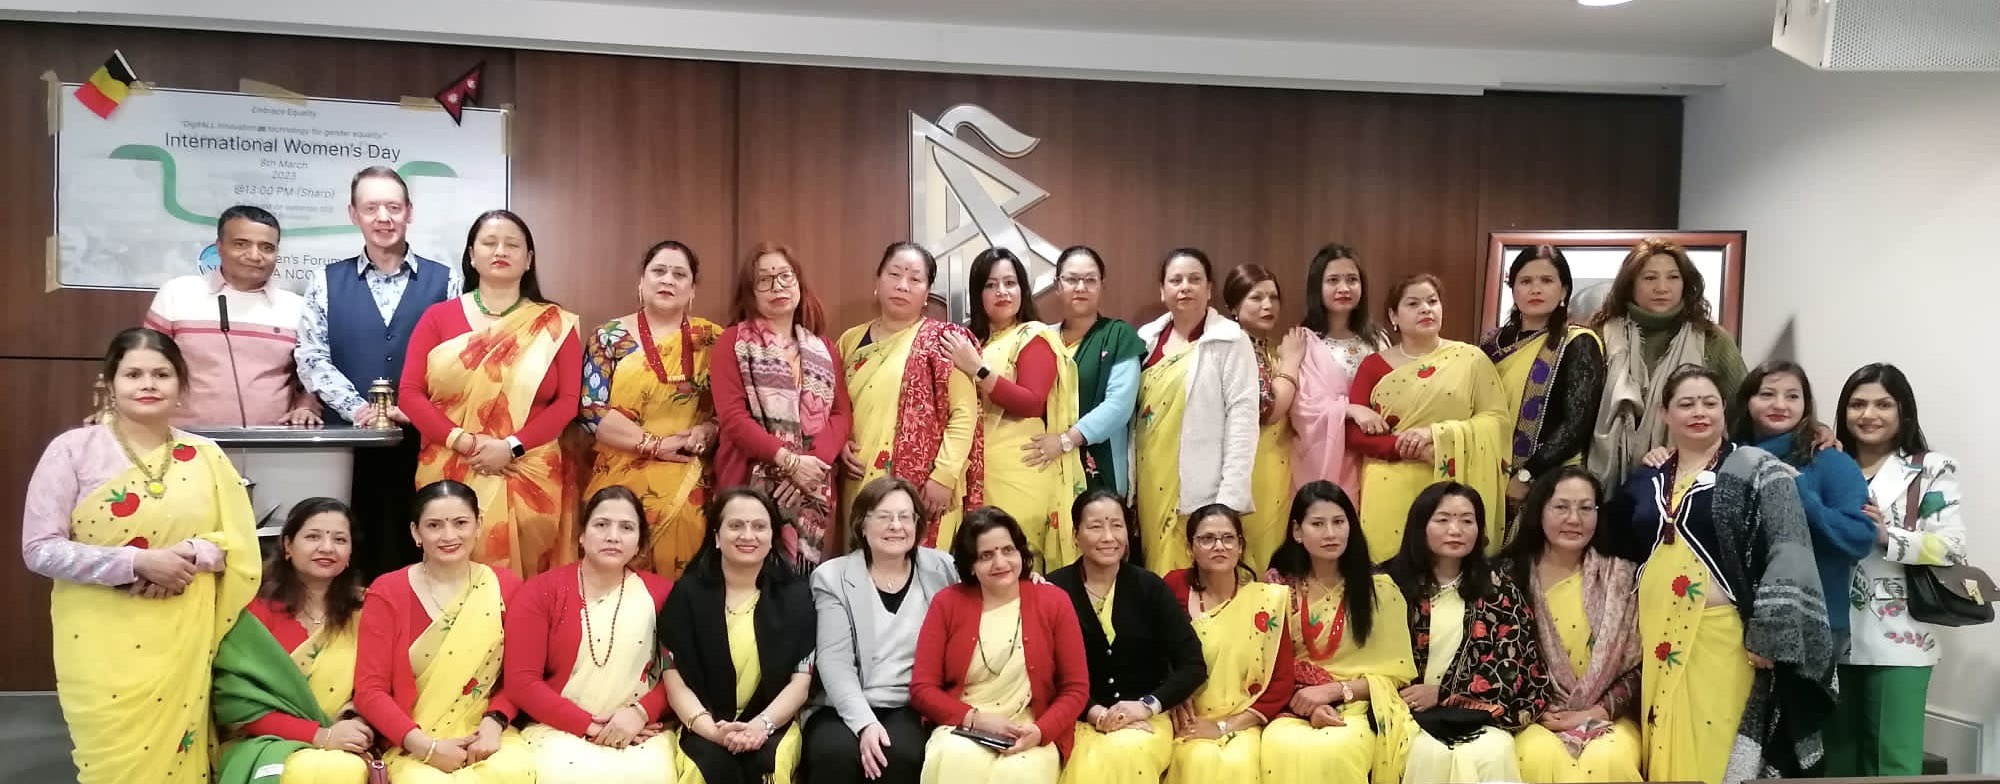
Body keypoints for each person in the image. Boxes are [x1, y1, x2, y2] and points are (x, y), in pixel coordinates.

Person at [22, 327, 261, 783]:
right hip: (97, 637)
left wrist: (189, 554)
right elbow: (39, 549)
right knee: (109, 758)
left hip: (180, 632)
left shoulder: (206, 455)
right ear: (110, 383)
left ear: (180, 384)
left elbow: (237, 541)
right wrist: (135, 563)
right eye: (133, 374)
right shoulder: (73, 450)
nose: (147, 384)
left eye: (161, 374)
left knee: (177, 751)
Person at [1608, 365, 1833, 784]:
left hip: (1725, 639)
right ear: (1664, 413)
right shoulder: (1647, 478)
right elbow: (1618, 549)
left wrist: (1772, 633)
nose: (1699, 412)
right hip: (1657, 636)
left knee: (1720, 749)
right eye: (1686, 403)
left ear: (1724, 411)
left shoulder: (1755, 467)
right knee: (1663, 744)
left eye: (1710, 403)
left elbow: (1789, 548)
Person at [295, 166, 461, 579]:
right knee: (345, 539)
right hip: (346, 441)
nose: (383, 217)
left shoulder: (446, 280)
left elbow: (458, 359)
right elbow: (312, 355)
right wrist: (356, 409)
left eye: (393, 206)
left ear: (409, 212)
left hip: (422, 440)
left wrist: (415, 409)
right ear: (354, 214)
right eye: (371, 207)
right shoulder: (325, 280)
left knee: (419, 538)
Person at [401, 210, 584, 578]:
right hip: (452, 464)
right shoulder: (438, 317)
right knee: (451, 566)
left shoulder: (554, 322)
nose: (501, 250)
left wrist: (512, 446)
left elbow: (567, 402)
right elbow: (409, 393)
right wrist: (465, 442)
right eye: (489, 242)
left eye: (513, 244)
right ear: (471, 255)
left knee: (527, 580)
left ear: (529, 259)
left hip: (529, 467)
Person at [1827, 363, 1966, 777]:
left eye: (1882, 404)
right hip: (1831, 633)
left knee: (1893, 764)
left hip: (1900, 638)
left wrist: (1887, 535)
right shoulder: (1828, 465)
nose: (1868, 414)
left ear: (1903, 412)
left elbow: (1953, 548)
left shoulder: (1930, 469)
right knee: (1834, 762)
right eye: (1857, 404)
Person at [354, 480, 534, 782]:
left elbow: (519, 677)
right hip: (410, 741)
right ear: (416, 532)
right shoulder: (388, 591)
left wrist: (494, 723)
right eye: (434, 525)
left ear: (478, 525)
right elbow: (369, 690)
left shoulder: (505, 586)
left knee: (512, 772)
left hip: (486, 733)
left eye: (460, 523)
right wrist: (425, 746)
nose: (449, 536)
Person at [1381, 482, 1550, 784]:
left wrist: (1445, 693)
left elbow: (1513, 661)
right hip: (1404, 713)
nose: (1455, 529)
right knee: (1427, 753)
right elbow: (1370, 656)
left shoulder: (1498, 587)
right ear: (1420, 525)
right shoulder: (1388, 584)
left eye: (1467, 520)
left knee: (1493, 751)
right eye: (1443, 519)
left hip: (1475, 714)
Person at [506, 486, 678, 783]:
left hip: (641, 731)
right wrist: (592, 727)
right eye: (601, 525)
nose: (613, 536)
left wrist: (640, 713)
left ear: (639, 542)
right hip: (558, 729)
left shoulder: (664, 595)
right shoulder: (541, 592)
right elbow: (522, 682)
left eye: (626, 527)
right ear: (582, 535)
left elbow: (682, 673)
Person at [910, 507, 1090, 784]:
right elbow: (923, 689)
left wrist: (1041, 731)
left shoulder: (1053, 601)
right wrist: (974, 718)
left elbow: (1076, 688)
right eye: (986, 555)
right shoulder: (948, 603)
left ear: (1021, 553)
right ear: (970, 564)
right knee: (958, 759)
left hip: (1031, 728)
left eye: (1008, 550)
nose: (1000, 562)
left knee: (1018, 773)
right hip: (964, 727)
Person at [807, 477, 962, 784]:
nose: (896, 526)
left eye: (905, 517)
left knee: (900, 755)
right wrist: (864, 724)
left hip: (909, 705)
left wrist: (1030, 581)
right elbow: (834, 661)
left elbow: (996, 581)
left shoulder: (942, 568)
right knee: (834, 755)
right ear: (862, 524)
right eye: (884, 517)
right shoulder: (832, 577)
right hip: (842, 704)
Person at [1260, 482, 1417, 784]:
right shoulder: (1276, 589)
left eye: (1338, 522)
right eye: (1317, 524)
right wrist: (1307, 703)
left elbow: (1396, 675)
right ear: (1297, 531)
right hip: (1290, 703)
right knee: (1281, 745)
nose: (1330, 533)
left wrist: (1334, 691)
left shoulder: (1380, 591)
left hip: (1358, 706)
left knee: (1338, 747)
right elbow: (1262, 665)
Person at [581, 240, 721, 577]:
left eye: (679, 274)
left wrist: (708, 430)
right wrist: (655, 445)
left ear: (692, 289)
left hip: (690, 480)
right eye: (658, 271)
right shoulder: (608, 337)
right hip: (619, 479)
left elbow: (731, 410)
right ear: (641, 283)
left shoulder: (715, 340)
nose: (668, 280)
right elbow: (591, 411)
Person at [1048, 490, 1207, 784]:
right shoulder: (1053, 590)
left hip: (1146, 717)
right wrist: (1094, 712)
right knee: (1084, 760)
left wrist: (1147, 705)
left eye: (1117, 525)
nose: (1108, 537)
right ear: (1075, 535)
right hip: (1079, 718)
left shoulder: (1150, 587)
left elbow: (1193, 665)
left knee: (1128, 751)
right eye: (1095, 526)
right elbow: (1047, 672)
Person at [1346, 274, 1508, 562]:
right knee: (1390, 573)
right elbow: (1353, 433)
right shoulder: (1374, 366)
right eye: (1413, 303)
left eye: (1432, 301)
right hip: (1390, 483)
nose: (1426, 309)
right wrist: (1409, 448)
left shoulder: (1471, 360)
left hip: (1450, 480)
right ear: (1393, 316)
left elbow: (1495, 420)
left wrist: (1437, 433)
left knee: (1449, 568)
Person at [659, 487, 816, 784]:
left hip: (773, 723)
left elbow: (801, 683)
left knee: (769, 768)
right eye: (735, 525)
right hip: (703, 723)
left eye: (759, 526)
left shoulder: (796, 598)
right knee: (704, 769)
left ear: (772, 537)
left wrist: (760, 726)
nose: (748, 535)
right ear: (717, 537)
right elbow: (674, 680)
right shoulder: (687, 596)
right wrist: (712, 732)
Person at [213, 498, 375, 784]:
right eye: (313, 536)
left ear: (350, 552)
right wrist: (320, 736)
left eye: (339, 539)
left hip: (347, 738)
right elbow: (235, 703)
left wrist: (356, 723)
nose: (327, 547)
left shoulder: (368, 608)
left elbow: (382, 683)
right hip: (263, 741)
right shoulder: (253, 611)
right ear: (288, 545)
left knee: (344, 767)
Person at [711, 242, 852, 569]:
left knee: (802, 591)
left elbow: (841, 415)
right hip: (746, 481)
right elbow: (733, 419)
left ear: (799, 283)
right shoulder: (732, 342)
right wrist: (789, 462)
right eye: (765, 280)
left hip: (812, 489)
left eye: (785, 276)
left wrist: (809, 465)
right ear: (751, 292)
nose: (777, 287)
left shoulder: (824, 349)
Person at [837, 242, 984, 548]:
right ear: (877, 281)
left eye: (915, 279)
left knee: (923, 579)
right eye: (894, 274)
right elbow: (831, 408)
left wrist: (943, 477)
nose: (902, 285)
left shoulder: (944, 341)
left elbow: (964, 413)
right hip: (857, 479)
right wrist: (838, 445)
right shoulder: (849, 341)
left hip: (924, 488)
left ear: (927, 293)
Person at [1499, 468, 1642, 783]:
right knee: (1536, 757)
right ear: (1540, 511)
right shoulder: (1508, 577)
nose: (1574, 519)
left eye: (1585, 508)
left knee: (1609, 758)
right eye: (1561, 507)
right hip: (1532, 715)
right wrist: (1534, 707)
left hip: (1607, 716)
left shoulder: (1622, 579)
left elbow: (1640, 665)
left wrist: (1598, 711)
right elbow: (1495, 659)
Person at [946, 248, 1083, 571]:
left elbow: (1031, 401)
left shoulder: (1033, 336)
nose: (1002, 292)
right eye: (991, 285)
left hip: (1020, 467)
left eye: (1010, 282)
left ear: (1023, 289)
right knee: (978, 561)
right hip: (976, 469)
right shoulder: (971, 342)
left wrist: (978, 370)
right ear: (978, 294)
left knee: (1015, 557)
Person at [1729, 361, 1875, 652]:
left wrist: (1799, 493)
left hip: (1812, 622)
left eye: (1793, 396)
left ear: (1806, 405)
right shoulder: (1731, 460)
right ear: (1747, 402)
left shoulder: (1828, 459)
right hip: (1739, 620)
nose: (1780, 404)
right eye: (1767, 394)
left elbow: (1860, 537)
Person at [1134, 249, 1260, 574]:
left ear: (1209, 288)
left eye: (1195, 279)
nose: (1185, 287)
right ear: (1163, 291)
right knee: (1159, 577)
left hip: (1204, 486)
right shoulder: (1144, 341)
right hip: (1153, 482)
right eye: (1176, 280)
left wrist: (1229, 498)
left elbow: (1243, 420)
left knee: (1204, 577)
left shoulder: (1230, 341)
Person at [1588, 237, 1748, 490]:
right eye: (1649, 278)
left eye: (1673, 277)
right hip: (1602, 484)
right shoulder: (1599, 336)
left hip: (1690, 485)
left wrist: (1809, 431)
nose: (1662, 288)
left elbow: (1746, 410)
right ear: (1630, 284)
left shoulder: (1711, 339)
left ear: (1686, 284)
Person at [143, 204, 320, 426]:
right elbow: (144, 365)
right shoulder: (177, 293)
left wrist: (306, 406)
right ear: (219, 247)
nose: (254, 256)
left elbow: (311, 374)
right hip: (187, 441)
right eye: (240, 244)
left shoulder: (296, 307)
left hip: (272, 443)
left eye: (267, 247)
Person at [1160, 504, 1293, 784]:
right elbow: (1154, 655)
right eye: (1207, 539)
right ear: (1190, 548)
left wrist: (1224, 727)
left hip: (1242, 722)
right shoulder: (1172, 588)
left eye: (1228, 538)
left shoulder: (1266, 602)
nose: (1218, 546)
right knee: (1197, 760)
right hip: (1184, 719)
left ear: (1240, 547)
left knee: (1238, 763)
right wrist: (1173, 694)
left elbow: (1280, 681)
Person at [1477, 245, 1604, 518]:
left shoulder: (1578, 342)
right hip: (1487, 474)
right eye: (1526, 281)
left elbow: (1575, 425)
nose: (1536, 289)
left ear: (1564, 291)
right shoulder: (1491, 344)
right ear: (1514, 289)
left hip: (1548, 482)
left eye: (1546, 281)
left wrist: (1526, 475)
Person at [1035, 246, 1144, 497]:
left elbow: (1119, 405)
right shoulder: (1040, 339)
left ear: (1102, 286)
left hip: (1098, 462)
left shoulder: (1118, 335)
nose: (1081, 287)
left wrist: (1066, 440)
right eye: (1072, 279)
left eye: (1090, 280)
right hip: (1046, 465)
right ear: (1057, 285)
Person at [1219, 264, 1308, 571]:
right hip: (1253, 465)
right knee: (1256, 550)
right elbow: (1267, 410)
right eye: (1256, 297)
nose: (1268, 305)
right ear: (1233, 305)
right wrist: (1292, 363)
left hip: (1281, 463)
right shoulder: (1236, 346)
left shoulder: (1270, 348)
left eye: (1273, 297)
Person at [1298, 244, 1391, 498]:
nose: (1344, 288)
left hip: (1374, 453)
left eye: (1352, 279)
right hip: (1323, 460)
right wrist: (1349, 410)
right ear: (1317, 287)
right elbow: (1302, 410)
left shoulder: (1378, 340)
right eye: (1333, 280)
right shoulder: (1303, 342)